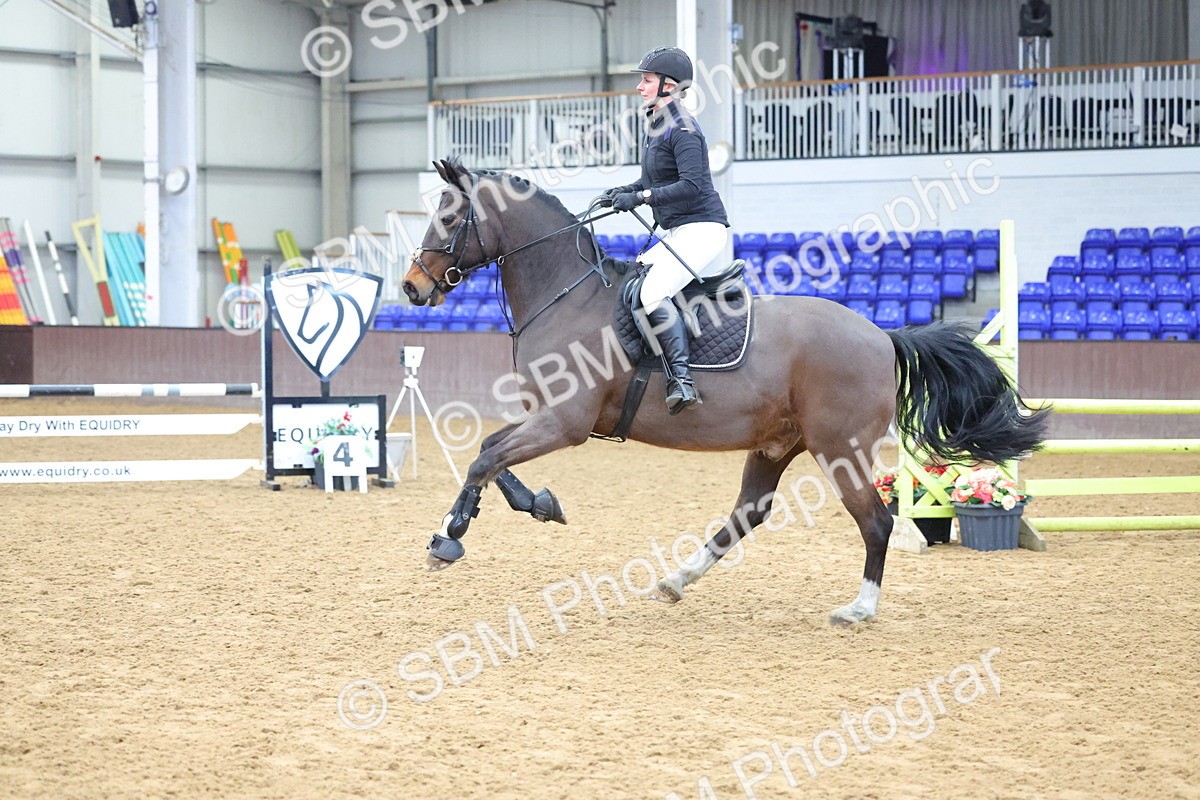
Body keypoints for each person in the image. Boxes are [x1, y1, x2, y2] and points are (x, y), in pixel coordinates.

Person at [602, 46, 731, 415]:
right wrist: (624, 192)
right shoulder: (658, 126)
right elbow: (649, 180)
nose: (640, 87)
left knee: (654, 292)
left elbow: (692, 184)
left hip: (702, 228)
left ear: (669, 86)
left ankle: (682, 380)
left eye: (646, 80)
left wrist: (641, 197)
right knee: (633, 282)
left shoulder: (685, 128)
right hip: (678, 230)